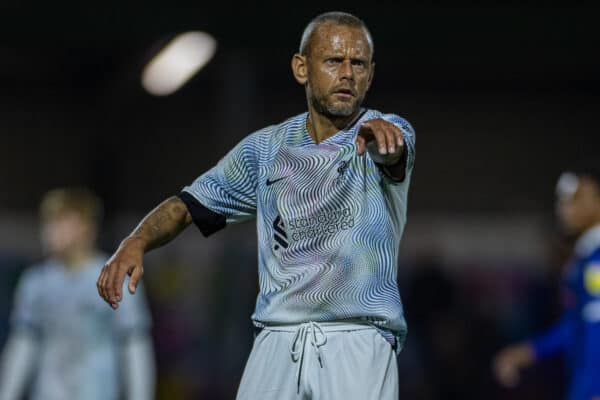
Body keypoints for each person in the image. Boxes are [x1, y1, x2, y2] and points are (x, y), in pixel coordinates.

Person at [97, 11, 416, 399]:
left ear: (370, 74)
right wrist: (136, 241)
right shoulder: (264, 150)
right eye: (334, 60)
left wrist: (390, 143)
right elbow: (187, 205)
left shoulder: (384, 131)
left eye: (358, 63)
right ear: (301, 68)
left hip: (358, 340)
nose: (347, 72)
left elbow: (395, 153)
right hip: (276, 341)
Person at [0, 188, 155, 400]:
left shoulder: (117, 278)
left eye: (60, 222)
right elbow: (23, 343)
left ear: (87, 228)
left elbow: (134, 344)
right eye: (48, 222)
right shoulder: (35, 283)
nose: (49, 230)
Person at [493, 166, 600, 400]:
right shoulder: (584, 256)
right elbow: (575, 324)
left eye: (575, 198)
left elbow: (595, 328)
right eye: (562, 200)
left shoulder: (596, 259)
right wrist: (527, 352)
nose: (564, 208)